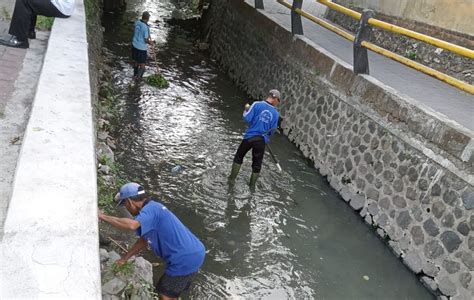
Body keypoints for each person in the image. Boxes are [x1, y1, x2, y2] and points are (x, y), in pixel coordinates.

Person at [98, 182, 206, 300]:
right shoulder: (152, 210)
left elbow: (132, 225)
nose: (127, 209)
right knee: (171, 291)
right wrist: (124, 259)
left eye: (125, 205)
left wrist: (102, 216)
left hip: (184, 258)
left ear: (129, 202)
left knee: (165, 294)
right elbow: (143, 241)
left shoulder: (151, 209)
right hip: (194, 252)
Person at [229, 89, 281, 186]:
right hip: (261, 141)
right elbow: (273, 130)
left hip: (249, 136)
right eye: (278, 101)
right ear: (275, 99)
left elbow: (247, 118)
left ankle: (231, 180)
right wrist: (267, 136)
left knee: (239, 157)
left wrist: (245, 109)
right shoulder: (275, 114)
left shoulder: (257, 104)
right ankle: (252, 186)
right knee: (257, 165)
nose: (277, 103)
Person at [0, 0, 75, 48]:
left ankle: (20, 39)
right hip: (65, 6)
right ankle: (29, 32)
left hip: (61, 7)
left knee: (24, 1)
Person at [131, 11, 154, 80]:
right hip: (141, 48)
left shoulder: (137, 22)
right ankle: (139, 78)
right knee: (142, 64)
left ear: (142, 16)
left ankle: (135, 74)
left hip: (134, 45)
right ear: (148, 18)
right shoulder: (145, 28)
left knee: (136, 61)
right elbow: (146, 40)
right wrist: (151, 43)